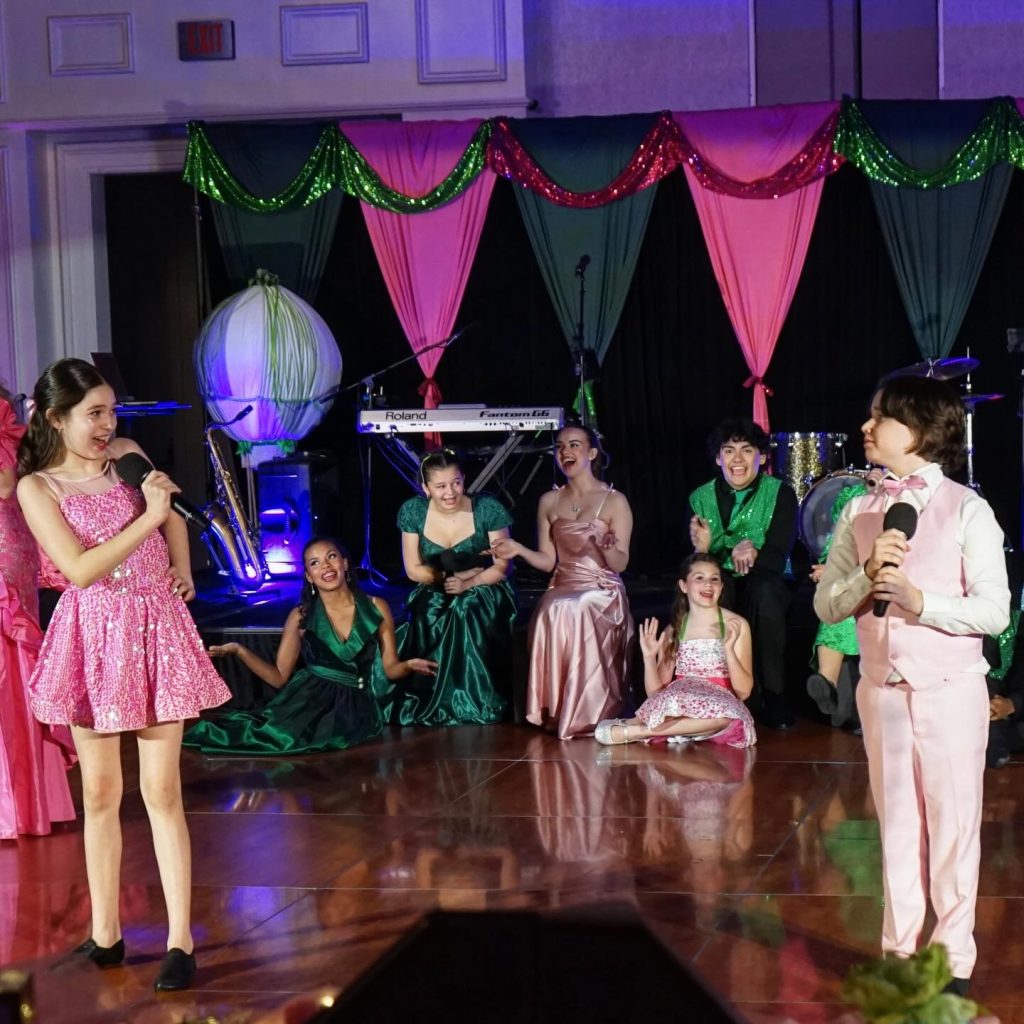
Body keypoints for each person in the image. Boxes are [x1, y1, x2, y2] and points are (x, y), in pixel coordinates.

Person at [16, 358, 231, 991]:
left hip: (155, 627)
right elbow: (79, 570)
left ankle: (179, 939)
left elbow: (172, 515)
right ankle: (106, 933)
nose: (108, 425)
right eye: (94, 414)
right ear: (56, 419)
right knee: (101, 794)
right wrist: (147, 518)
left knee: (162, 791)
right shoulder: (38, 487)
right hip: (92, 638)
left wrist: (182, 567)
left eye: (111, 411)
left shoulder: (130, 457)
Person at [813, 375, 1010, 996]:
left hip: (949, 689)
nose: (866, 427)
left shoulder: (968, 508)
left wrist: (922, 602)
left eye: (881, 417)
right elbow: (826, 604)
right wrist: (866, 577)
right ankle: (899, 953)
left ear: (921, 430)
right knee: (896, 829)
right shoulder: (859, 509)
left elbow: (994, 612)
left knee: (953, 831)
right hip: (881, 691)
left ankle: (951, 963)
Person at [183, 538, 436, 754]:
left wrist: (409, 665)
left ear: (345, 563)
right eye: (315, 563)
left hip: (356, 705)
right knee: (271, 739)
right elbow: (279, 677)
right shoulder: (301, 616)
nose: (325, 566)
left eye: (331, 557)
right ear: (309, 576)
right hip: (307, 700)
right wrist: (240, 650)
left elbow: (390, 668)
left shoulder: (376, 606)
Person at [491, 423, 634, 739]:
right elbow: (547, 561)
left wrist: (607, 548)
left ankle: (591, 711)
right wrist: (518, 549)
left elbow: (620, 563)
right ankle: (558, 708)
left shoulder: (614, 501)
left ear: (591, 453)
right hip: (564, 582)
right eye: (559, 447)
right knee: (552, 606)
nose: (565, 452)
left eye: (574, 445)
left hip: (602, 586)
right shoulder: (549, 501)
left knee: (580, 605)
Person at [0, 385, 76, 840]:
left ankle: (18, 806)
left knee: (12, 668)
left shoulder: (4, 425)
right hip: (14, 552)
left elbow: (5, 485)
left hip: (6, 560)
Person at [394, 449, 516, 726]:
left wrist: (468, 582)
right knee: (429, 610)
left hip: (486, 584)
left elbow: (502, 567)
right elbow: (412, 569)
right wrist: (448, 579)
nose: (450, 492)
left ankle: (475, 699)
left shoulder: (487, 508)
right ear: (426, 488)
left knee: (465, 608)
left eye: (456, 483)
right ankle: (435, 699)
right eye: (440, 486)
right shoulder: (413, 511)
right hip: (437, 582)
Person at [689, 418, 797, 729]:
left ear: (761, 457)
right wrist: (704, 550)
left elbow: (778, 554)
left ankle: (774, 695)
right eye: (729, 451)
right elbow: (694, 565)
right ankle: (720, 697)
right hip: (720, 577)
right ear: (718, 458)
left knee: (763, 592)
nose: (738, 459)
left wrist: (754, 553)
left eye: (747, 450)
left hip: (768, 576)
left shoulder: (780, 493)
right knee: (714, 589)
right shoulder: (699, 498)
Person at [595, 553, 756, 748]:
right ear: (684, 586)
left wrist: (729, 650)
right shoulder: (674, 630)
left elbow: (743, 692)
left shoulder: (736, 624)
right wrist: (649, 658)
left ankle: (639, 731)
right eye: (699, 578)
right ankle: (650, 726)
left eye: (714, 579)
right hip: (682, 700)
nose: (708, 585)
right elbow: (656, 694)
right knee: (669, 705)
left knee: (726, 718)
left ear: (721, 586)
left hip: (719, 704)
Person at [806, 466, 885, 730]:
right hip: (853, 570)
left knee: (851, 603)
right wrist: (869, 491)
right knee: (838, 605)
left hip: (888, 571)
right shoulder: (854, 495)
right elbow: (839, 531)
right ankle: (826, 683)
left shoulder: (908, 496)